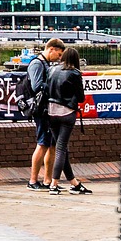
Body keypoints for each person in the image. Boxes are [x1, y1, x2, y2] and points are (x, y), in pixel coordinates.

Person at [46, 45, 91, 194]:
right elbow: (81, 97)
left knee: (62, 149)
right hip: (66, 113)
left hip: (51, 112)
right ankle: (54, 184)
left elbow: (47, 90)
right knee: (61, 149)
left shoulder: (51, 69)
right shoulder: (75, 73)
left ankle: (74, 183)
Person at [27, 38, 65, 190]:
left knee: (51, 145)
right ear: (52, 49)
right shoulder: (37, 63)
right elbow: (36, 86)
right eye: (59, 54)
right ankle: (32, 180)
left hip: (48, 109)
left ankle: (47, 180)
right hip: (41, 110)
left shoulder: (46, 64)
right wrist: (55, 84)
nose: (60, 58)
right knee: (42, 143)